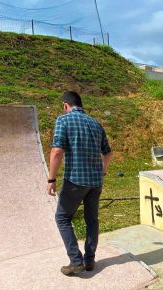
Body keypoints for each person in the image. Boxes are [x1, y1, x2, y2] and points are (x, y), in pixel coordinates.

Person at [47, 91, 113, 276]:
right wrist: (103, 171)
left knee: (62, 218)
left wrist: (51, 179)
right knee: (92, 220)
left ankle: (76, 261)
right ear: (81, 105)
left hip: (75, 181)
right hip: (95, 182)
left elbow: (57, 151)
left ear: (65, 105)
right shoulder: (96, 123)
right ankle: (89, 260)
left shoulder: (64, 120)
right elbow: (108, 153)